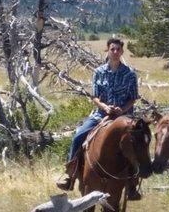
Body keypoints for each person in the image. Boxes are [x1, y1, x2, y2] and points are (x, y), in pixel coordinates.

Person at [56, 38, 142, 200]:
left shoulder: (130, 74)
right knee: (79, 136)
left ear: (122, 52)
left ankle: (133, 183)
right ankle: (70, 175)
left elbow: (133, 97)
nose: (115, 52)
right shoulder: (99, 72)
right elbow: (95, 97)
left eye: (118, 49)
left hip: (124, 117)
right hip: (102, 114)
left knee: (137, 143)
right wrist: (106, 107)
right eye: (112, 49)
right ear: (108, 51)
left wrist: (122, 109)